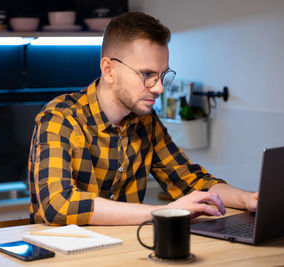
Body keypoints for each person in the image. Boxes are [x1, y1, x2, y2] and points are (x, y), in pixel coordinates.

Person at [27, 12, 258, 226]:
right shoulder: (60, 117)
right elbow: (57, 204)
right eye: (147, 75)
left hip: (124, 253)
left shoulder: (146, 121)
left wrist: (248, 199)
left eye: (162, 75)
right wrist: (161, 212)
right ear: (108, 70)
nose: (158, 88)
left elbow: (193, 181)